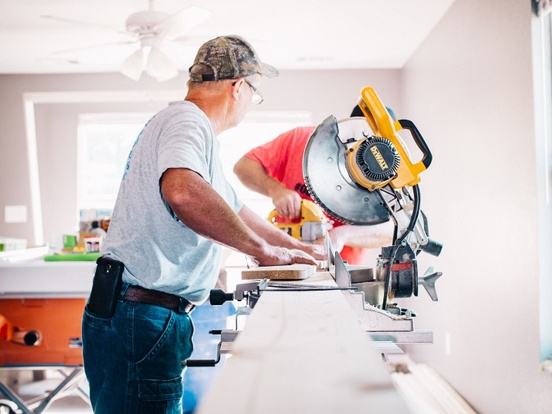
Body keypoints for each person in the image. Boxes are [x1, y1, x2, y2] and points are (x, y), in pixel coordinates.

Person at [81, 35, 324, 414]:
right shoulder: (187, 120)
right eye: (254, 95)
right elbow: (183, 193)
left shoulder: (190, 131)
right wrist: (263, 252)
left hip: (138, 313)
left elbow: (236, 209)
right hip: (141, 316)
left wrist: (293, 249)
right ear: (238, 87)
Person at [233, 106, 395, 265]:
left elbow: (393, 230)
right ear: (350, 126)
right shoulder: (301, 139)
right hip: (285, 259)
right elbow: (243, 166)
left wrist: (342, 235)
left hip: (342, 270)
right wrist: (275, 190)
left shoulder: (387, 174)